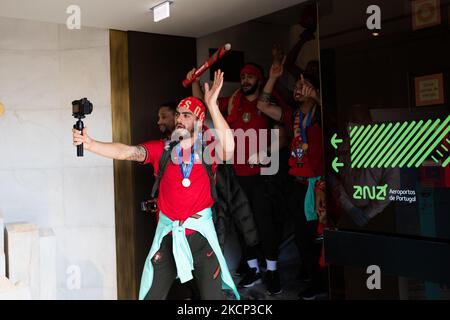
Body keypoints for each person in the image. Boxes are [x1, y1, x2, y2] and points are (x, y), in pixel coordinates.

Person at [73, 71, 239, 300]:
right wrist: (91, 144)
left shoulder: (208, 148)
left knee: (213, 298)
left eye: (187, 115)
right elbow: (127, 152)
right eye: (179, 114)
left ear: (199, 121)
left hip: (202, 238)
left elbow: (229, 148)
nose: (180, 119)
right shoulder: (162, 149)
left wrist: (212, 104)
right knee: (151, 295)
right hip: (169, 236)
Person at [187, 63, 289, 295]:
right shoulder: (234, 101)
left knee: (265, 224)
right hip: (235, 174)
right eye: (242, 76)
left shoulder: (268, 102)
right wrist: (195, 81)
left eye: (250, 76)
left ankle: (272, 270)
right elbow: (203, 106)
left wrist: (266, 152)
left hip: (262, 175)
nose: (245, 80)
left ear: (259, 79)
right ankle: (253, 269)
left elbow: (283, 135)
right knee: (244, 224)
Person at [256, 58, 326, 300]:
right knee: (303, 238)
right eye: (296, 86)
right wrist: (273, 77)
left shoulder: (320, 114)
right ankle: (315, 280)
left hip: (320, 186)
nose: (297, 89)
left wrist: (317, 97)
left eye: (303, 86)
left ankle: (323, 281)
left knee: (320, 236)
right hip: (297, 184)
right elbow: (263, 106)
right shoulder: (292, 114)